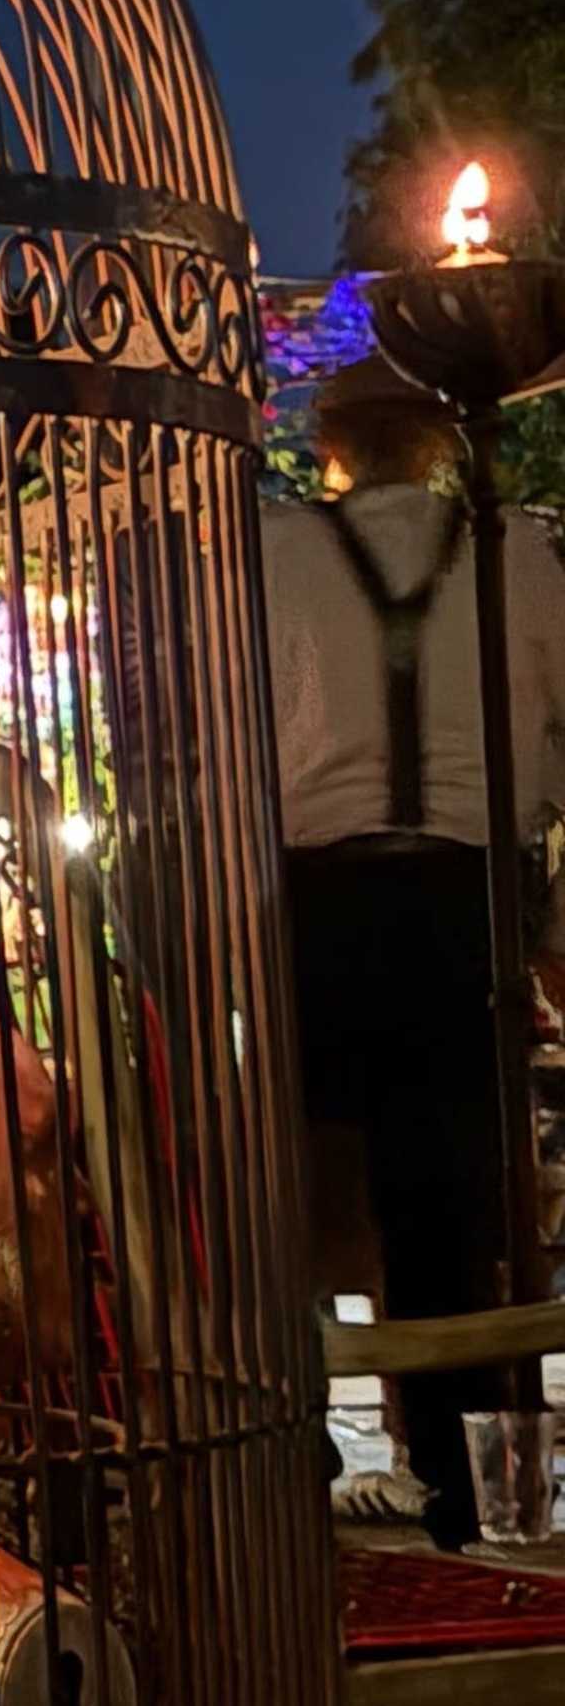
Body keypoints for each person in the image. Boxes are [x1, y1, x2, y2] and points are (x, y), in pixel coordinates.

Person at [261, 358, 565, 1536]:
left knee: (286, 1205)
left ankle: (288, 1462)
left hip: (317, 912)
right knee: (450, 1224)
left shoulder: (275, 554)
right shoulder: (521, 554)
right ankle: (459, 1492)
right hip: (462, 911)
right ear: (441, 442)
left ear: (331, 442)